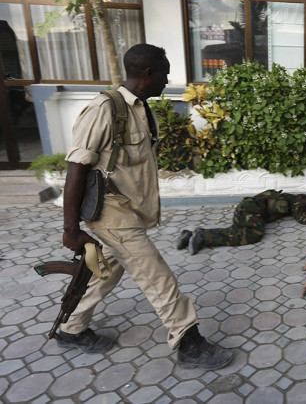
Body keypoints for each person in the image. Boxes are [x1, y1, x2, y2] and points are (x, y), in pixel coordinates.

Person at [58, 44, 232, 369]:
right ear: (148, 74)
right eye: (165, 73)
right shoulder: (104, 109)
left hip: (129, 213)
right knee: (159, 278)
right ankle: (188, 342)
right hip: (112, 214)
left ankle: (71, 327)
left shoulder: (141, 109)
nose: (168, 80)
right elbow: (76, 168)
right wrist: (71, 230)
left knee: (104, 273)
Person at [176, 190, 306, 255]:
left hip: (244, 206)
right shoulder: (293, 200)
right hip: (254, 209)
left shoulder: (277, 195)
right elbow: (302, 217)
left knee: (235, 232)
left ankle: (192, 234)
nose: (304, 207)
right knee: (253, 235)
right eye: (305, 204)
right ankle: (203, 237)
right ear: (300, 198)